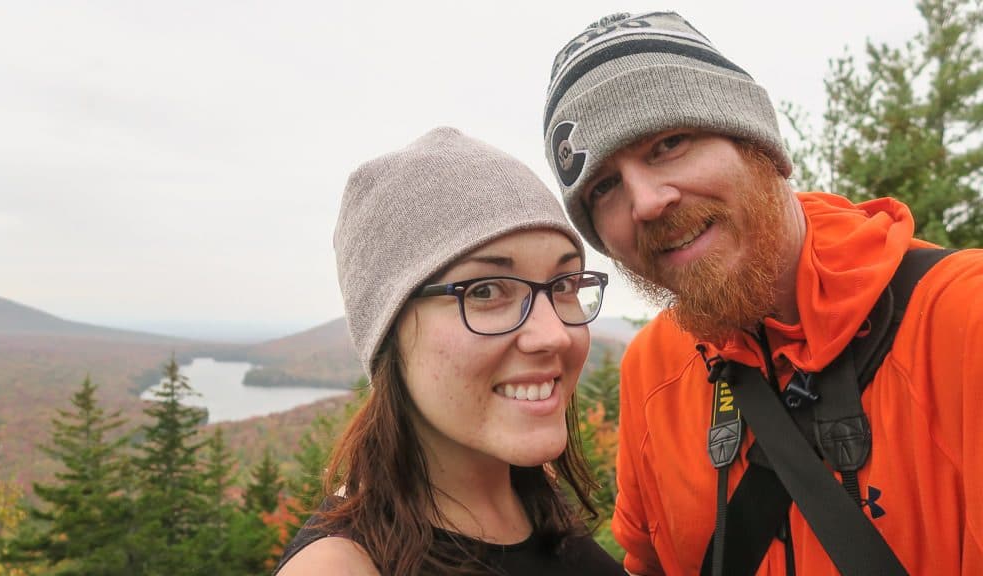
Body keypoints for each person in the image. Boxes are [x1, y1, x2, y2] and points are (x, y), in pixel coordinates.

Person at [541, 11, 982, 576]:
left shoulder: (963, 324)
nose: (646, 202)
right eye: (604, 187)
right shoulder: (652, 371)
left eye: (669, 143)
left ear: (758, 143)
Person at [274, 127, 626, 575]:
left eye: (565, 285)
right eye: (484, 291)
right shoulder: (341, 567)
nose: (554, 334)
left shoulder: (533, 503)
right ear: (388, 330)